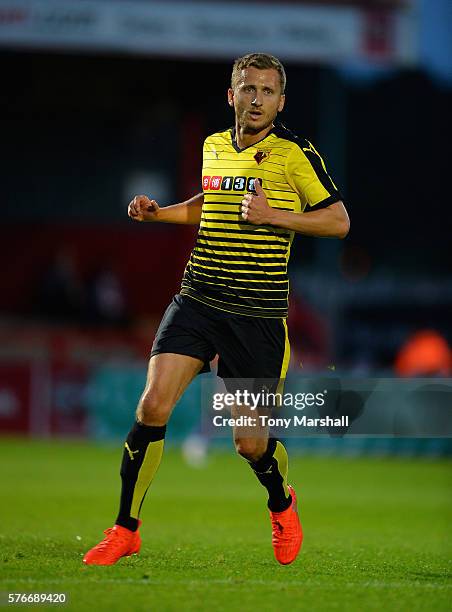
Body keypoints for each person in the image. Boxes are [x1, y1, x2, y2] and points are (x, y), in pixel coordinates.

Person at [83, 53, 350, 567]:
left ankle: (281, 502)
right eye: (248, 89)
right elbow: (210, 206)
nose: (256, 99)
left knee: (250, 444)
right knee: (152, 406)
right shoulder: (212, 147)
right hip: (198, 299)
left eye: (267, 92)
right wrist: (159, 213)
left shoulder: (295, 153)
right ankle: (125, 528)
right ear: (232, 95)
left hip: (257, 314)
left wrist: (275, 215)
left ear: (281, 101)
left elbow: (338, 221)